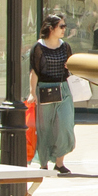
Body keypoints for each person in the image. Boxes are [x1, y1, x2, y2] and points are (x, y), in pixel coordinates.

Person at [29, 12, 79, 175]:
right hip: (45, 89)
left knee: (65, 125)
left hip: (63, 88)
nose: (64, 29)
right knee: (45, 128)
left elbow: (71, 66)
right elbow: (34, 71)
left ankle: (59, 162)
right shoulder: (38, 47)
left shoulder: (65, 46)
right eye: (61, 26)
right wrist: (32, 92)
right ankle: (43, 163)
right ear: (51, 28)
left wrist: (69, 67)